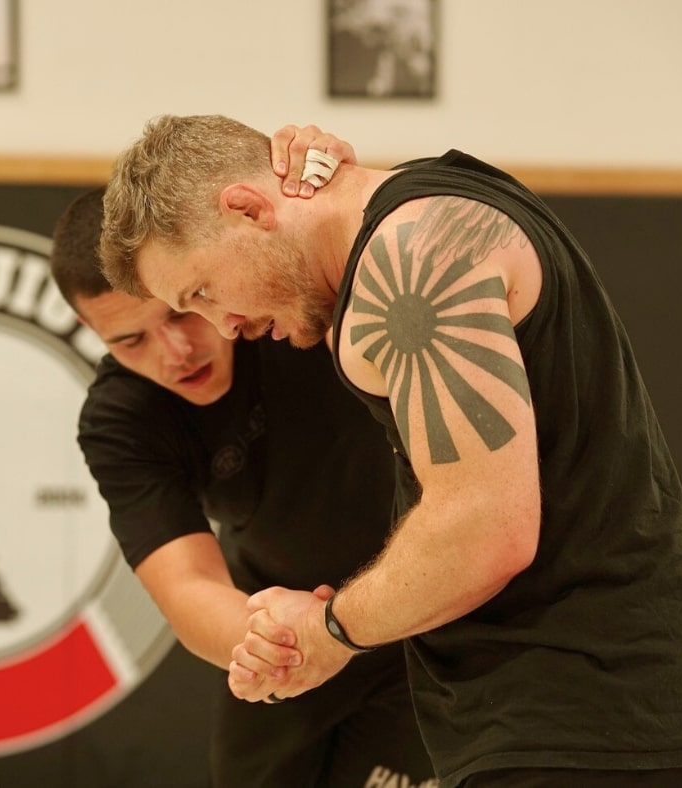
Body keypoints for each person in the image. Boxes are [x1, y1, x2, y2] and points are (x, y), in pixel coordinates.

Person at [98, 114, 682, 787]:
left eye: (201, 293)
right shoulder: (431, 204)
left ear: (245, 208)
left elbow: (484, 529)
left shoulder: (409, 256)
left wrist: (326, 631)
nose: (223, 324)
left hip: (579, 717)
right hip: (569, 709)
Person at [49, 127, 435, 788]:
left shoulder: (291, 302)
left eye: (185, 311)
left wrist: (327, 169)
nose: (175, 353)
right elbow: (189, 586)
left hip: (420, 611)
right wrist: (277, 642)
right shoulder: (122, 418)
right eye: (130, 340)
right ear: (92, 334)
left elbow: (376, 218)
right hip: (279, 625)